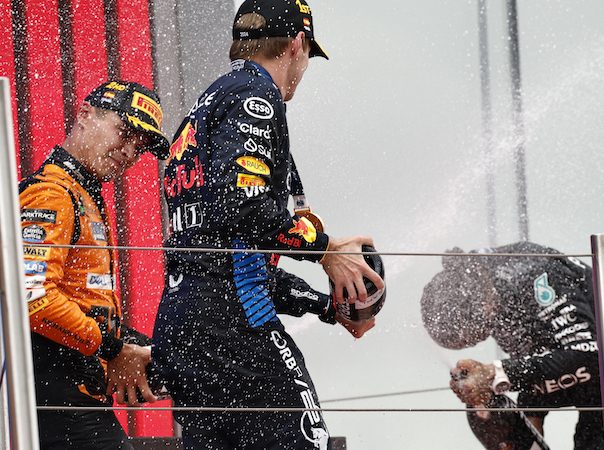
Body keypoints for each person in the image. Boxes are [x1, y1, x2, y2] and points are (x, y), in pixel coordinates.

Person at [151, 1, 385, 448]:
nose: (303, 69)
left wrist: (324, 306)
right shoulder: (255, 96)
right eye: (308, 56)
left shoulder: (208, 103)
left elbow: (234, 258)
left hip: (183, 326)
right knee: (306, 439)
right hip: (233, 326)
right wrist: (327, 249)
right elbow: (243, 206)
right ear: (297, 44)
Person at [19, 80, 170, 450]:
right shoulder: (53, 192)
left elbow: (83, 303)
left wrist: (145, 351)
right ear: (85, 115)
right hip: (55, 398)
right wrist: (113, 348)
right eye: (125, 132)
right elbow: (33, 299)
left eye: (140, 146)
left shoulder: (81, 191)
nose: (129, 151)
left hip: (75, 394)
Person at [421, 241, 604, 450]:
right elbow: (543, 358)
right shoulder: (490, 284)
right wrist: (526, 423)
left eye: (478, 333)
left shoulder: (534, 272)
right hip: (597, 401)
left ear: (481, 304)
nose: (482, 338)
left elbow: (586, 355)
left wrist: (495, 373)